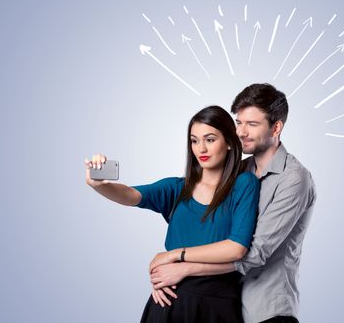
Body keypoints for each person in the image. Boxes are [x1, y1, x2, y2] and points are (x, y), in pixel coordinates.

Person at [149, 83, 316, 323]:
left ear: (276, 127)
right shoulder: (239, 172)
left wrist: (181, 265)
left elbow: (254, 253)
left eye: (252, 124)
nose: (241, 132)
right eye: (239, 123)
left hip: (267, 311)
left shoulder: (294, 178)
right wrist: (163, 277)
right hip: (227, 307)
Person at [84, 105, 260, 322]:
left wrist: (174, 256)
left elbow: (236, 249)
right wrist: (99, 185)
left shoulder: (244, 184)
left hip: (217, 306)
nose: (201, 149)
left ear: (230, 143)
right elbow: (130, 194)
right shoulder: (176, 189)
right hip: (168, 305)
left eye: (210, 139)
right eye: (194, 141)